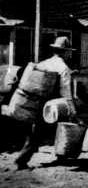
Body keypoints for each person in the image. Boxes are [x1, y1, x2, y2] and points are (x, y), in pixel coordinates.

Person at [15, 37, 77, 170]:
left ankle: (58, 155)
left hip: (34, 100)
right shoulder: (63, 68)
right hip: (50, 104)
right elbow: (65, 91)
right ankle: (22, 159)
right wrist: (71, 108)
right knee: (53, 127)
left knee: (36, 129)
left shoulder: (43, 63)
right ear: (65, 52)